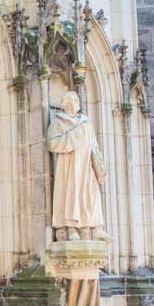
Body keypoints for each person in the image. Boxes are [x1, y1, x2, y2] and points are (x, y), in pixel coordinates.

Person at [47, 90, 110, 242]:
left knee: (91, 196)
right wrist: (74, 135)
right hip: (70, 167)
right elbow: (52, 144)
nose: (74, 102)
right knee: (72, 195)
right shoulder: (59, 122)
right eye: (71, 99)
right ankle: (71, 229)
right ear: (65, 103)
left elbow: (94, 145)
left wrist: (99, 164)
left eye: (76, 99)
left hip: (87, 166)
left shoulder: (86, 122)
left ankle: (95, 228)